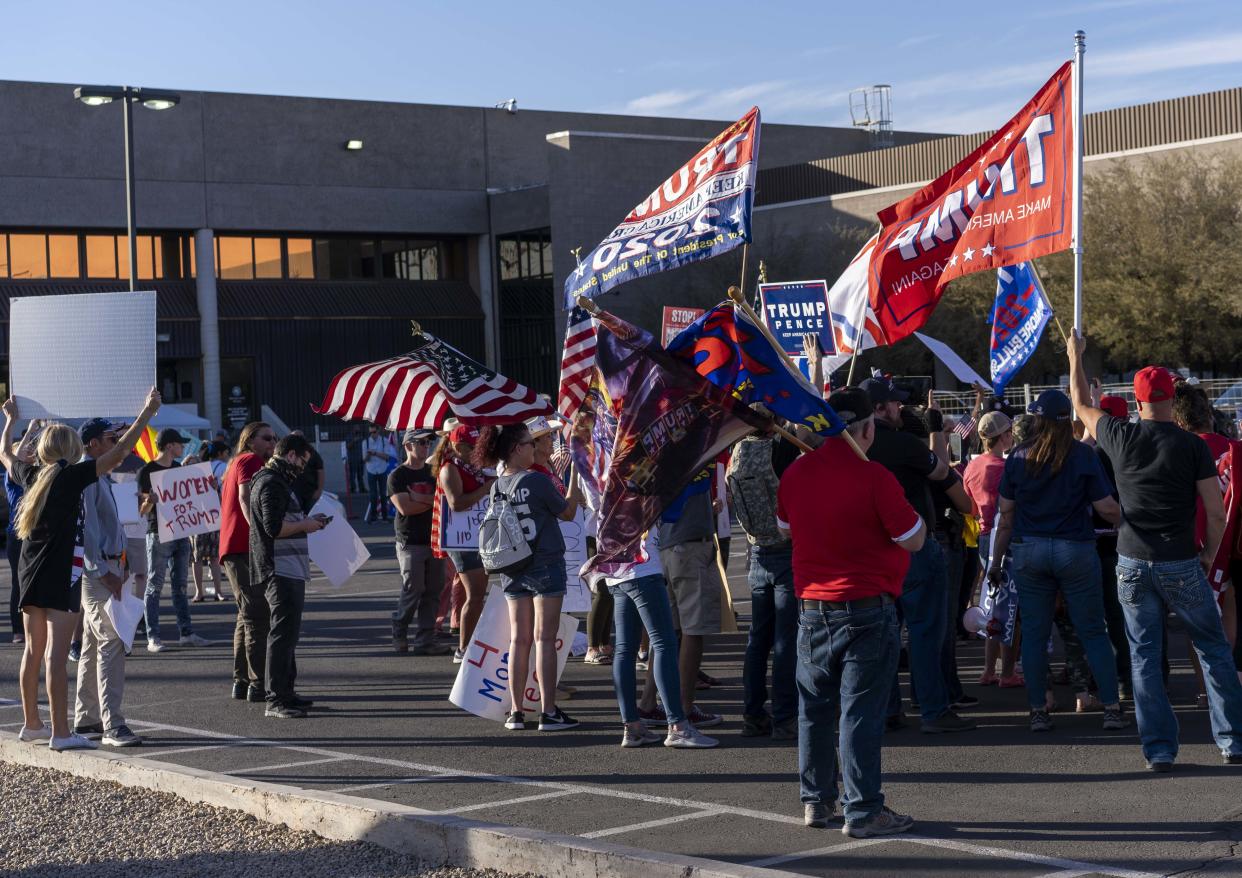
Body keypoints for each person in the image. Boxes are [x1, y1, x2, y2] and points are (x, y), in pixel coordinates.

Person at [1069, 332, 1242, 769]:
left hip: (1131, 559)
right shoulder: (1191, 445)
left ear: (1137, 399)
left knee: (1143, 654)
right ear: (1171, 396)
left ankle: (1159, 749)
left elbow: (1080, 404)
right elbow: (1215, 513)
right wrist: (1210, 554)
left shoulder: (1119, 436)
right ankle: (1232, 739)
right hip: (1180, 560)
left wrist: (1076, 358)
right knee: (1213, 647)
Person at [778, 386, 924, 836]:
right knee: (857, 712)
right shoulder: (873, 476)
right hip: (865, 606)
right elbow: (914, 538)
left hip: (813, 606)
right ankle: (862, 810)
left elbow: (785, 528)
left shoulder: (797, 474)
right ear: (865, 428)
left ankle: (817, 801)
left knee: (815, 708)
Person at [1, 389, 160, 751]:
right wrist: (147, 414)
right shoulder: (72, 478)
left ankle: (32, 724)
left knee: (33, 652)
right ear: (73, 449)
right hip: (62, 575)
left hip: (29, 571)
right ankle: (60, 733)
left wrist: (12, 420)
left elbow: (5, 454)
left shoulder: (31, 475)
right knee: (57, 658)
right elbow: (120, 453)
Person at [987, 389, 1129, 734]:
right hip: (1075, 549)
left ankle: (1038, 711)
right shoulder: (1081, 455)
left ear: (1038, 419)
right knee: (1093, 630)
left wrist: (995, 562)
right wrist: (1135, 521)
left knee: (1034, 635)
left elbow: (1005, 516)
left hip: (1028, 550)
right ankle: (1111, 707)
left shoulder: (1018, 456)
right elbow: (1107, 509)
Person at [860, 377, 975, 734]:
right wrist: (965, 503)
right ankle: (933, 708)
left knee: (884, 633)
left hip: (872, 551)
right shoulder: (903, 444)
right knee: (926, 631)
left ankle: (889, 707)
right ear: (878, 408)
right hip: (914, 546)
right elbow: (942, 472)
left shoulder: (851, 448)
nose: (899, 408)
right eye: (893, 404)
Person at [474, 422, 582, 732]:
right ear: (516, 449)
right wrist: (574, 475)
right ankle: (548, 711)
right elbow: (568, 512)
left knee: (518, 640)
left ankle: (516, 711)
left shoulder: (497, 485)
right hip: (544, 563)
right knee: (544, 639)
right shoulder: (536, 480)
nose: (533, 448)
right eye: (527, 443)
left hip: (512, 567)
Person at [604, 530, 717, 749]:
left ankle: (632, 727)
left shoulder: (595, 492)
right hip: (643, 563)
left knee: (625, 648)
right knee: (664, 643)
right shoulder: (633, 493)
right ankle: (678, 725)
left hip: (614, 562)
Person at [72, 418, 141, 747]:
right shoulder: (87, 478)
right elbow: (87, 534)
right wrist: (105, 571)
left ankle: (87, 719)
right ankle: (113, 725)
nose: (116, 443)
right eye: (111, 438)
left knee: (92, 644)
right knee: (111, 642)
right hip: (100, 573)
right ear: (93, 445)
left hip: (108, 569)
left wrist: (119, 565)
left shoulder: (99, 475)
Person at [249, 433, 326, 719]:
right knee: (282, 634)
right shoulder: (271, 482)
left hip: (285, 566)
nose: (303, 469)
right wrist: (307, 524)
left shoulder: (272, 479)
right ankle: (276, 699)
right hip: (279, 568)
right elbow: (274, 528)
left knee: (288, 633)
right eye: (302, 461)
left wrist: (307, 523)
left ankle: (286, 693)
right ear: (291, 455)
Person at [728, 431, 799, 740]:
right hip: (785, 548)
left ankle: (753, 712)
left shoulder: (736, 450)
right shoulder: (780, 450)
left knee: (758, 640)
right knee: (785, 641)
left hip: (757, 548)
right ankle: (785, 716)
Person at [659, 468, 725, 730]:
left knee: (668, 634)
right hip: (688, 545)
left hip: (670, 544)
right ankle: (684, 709)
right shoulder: (690, 448)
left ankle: (649, 703)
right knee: (693, 630)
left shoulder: (667, 452)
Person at [219, 422, 276, 702]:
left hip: (236, 547)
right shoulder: (251, 460)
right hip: (242, 547)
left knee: (245, 616)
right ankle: (255, 684)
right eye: (267, 438)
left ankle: (242, 683)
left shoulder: (238, 461)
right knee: (256, 615)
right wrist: (259, 532)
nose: (272, 443)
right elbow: (245, 497)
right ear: (250, 439)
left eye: (275, 439)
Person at [962, 411, 1020, 686]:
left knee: (991, 605)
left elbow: (970, 507)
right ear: (1005, 436)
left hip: (983, 538)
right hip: (1003, 539)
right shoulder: (1002, 468)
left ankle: (988, 670)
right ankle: (1007, 672)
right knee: (1010, 609)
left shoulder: (972, 467)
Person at [139, 428, 209, 652]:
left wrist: (207, 490)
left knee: (180, 585)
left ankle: (186, 632)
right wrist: (150, 501)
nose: (182, 448)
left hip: (180, 531)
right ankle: (153, 636)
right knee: (155, 585)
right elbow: (140, 510)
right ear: (170, 446)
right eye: (180, 444)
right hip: (158, 532)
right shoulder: (147, 471)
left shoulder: (179, 469)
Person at [389, 428, 449, 655]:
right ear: (408, 446)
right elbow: (405, 508)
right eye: (421, 443)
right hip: (410, 541)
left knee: (433, 590)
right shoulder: (398, 476)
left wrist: (419, 498)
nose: (426, 446)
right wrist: (431, 500)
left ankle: (425, 640)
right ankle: (400, 627)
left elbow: (442, 502)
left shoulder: (433, 472)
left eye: (428, 443)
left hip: (433, 540)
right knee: (413, 588)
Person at [439, 423, 495, 663]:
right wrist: (486, 488)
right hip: (462, 540)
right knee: (475, 594)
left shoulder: (473, 466)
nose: (476, 451)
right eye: (471, 447)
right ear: (457, 446)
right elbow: (456, 503)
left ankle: (471, 643)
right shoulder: (450, 468)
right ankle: (463, 648)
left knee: (478, 594)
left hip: (477, 536)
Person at [191, 441, 230, 603]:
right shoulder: (196, 470)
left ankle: (207, 592)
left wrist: (214, 488)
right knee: (203, 557)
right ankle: (207, 592)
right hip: (202, 517)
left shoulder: (204, 470)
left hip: (205, 517)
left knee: (206, 557)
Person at [290, 429, 325, 514]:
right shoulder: (287, 453)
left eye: (299, 437)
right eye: (294, 437)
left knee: (310, 516)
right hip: (293, 493)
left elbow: (320, 471)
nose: (297, 439)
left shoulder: (312, 452)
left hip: (310, 492)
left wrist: (319, 491)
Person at [362, 424, 391, 522]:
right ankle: (373, 516)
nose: (372, 434)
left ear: (378, 431)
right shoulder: (365, 442)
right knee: (373, 495)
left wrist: (375, 453)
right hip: (371, 470)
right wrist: (368, 455)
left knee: (383, 494)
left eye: (374, 432)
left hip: (382, 470)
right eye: (370, 432)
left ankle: (384, 516)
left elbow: (387, 457)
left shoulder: (384, 441)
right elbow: (364, 460)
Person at [343, 426, 366, 496]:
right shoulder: (349, 437)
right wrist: (354, 441)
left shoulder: (361, 437)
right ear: (353, 429)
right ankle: (353, 489)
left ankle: (362, 488)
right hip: (352, 460)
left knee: (361, 475)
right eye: (357, 429)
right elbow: (347, 446)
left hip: (360, 459)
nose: (358, 431)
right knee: (352, 475)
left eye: (359, 429)